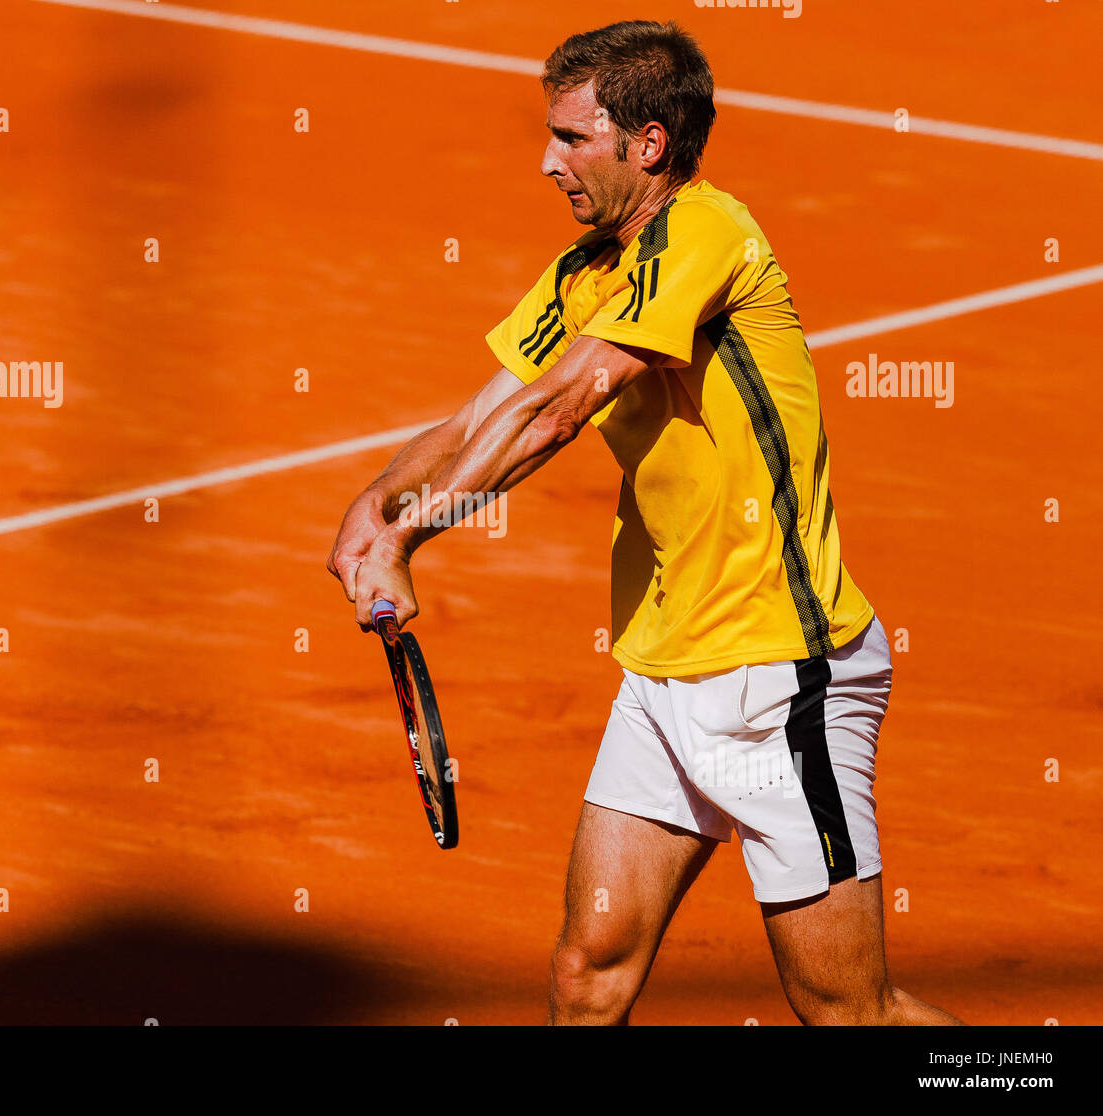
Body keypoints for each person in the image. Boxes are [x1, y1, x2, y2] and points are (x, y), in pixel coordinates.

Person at [328, 19, 961, 1026]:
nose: (548, 162)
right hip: (664, 673)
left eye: (572, 138)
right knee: (590, 974)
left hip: (778, 679)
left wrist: (412, 538)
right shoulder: (585, 271)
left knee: (848, 1011)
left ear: (648, 142)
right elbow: (482, 412)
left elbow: (563, 405)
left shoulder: (707, 233)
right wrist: (377, 505)